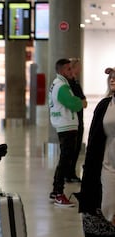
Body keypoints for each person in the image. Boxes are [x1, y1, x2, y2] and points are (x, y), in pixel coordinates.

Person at [78, 67, 115, 224]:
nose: (112, 79)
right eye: (111, 77)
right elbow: (95, 136)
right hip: (108, 163)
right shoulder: (105, 105)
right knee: (109, 206)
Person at [48, 58, 83, 207]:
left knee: (64, 159)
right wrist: (80, 102)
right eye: (69, 69)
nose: (72, 71)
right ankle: (59, 192)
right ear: (62, 71)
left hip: (65, 125)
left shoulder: (58, 84)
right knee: (65, 160)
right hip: (66, 126)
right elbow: (74, 104)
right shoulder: (62, 86)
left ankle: (56, 190)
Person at [67, 58, 88, 183]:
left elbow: (83, 101)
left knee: (76, 147)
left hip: (79, 119)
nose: (80, 69)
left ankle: (71, 172)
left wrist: (81, 102)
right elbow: (79, 102)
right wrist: (80, 102)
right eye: (78, 67)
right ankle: (68, 173)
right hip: (73, 120)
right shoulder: (70, 85)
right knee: (71, 148)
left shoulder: (75, 82)